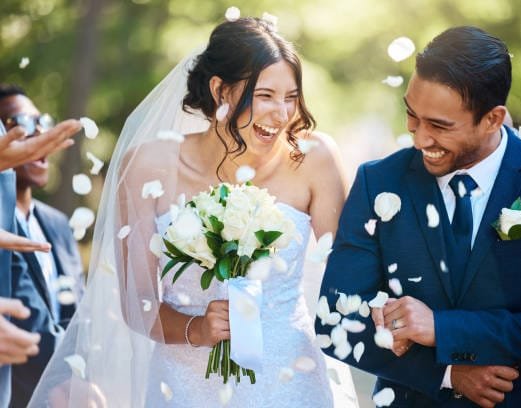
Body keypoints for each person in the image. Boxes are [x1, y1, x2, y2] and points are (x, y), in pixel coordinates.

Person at [30, 17, 357, 407]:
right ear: (220, 90)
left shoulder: (314, 159)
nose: (282, 113)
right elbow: (138, 303)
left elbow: (351, 272)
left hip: (290, 381)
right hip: (184, 385)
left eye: (291, 97)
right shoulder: (148, 166)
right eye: (266, 95)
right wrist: (196, 328)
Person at [317, 26, 521, 407]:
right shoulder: (378, 181)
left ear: (493, 119)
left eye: (439, 125)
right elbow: (335, 319)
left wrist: (444, 330)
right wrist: (447, 373)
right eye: (412, 115)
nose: (419, 138)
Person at [0, 84, 84, 407]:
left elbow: (78, 312)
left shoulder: (59, 225)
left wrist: (84, 372)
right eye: (19, 122)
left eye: (41, 121)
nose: (37, 134)